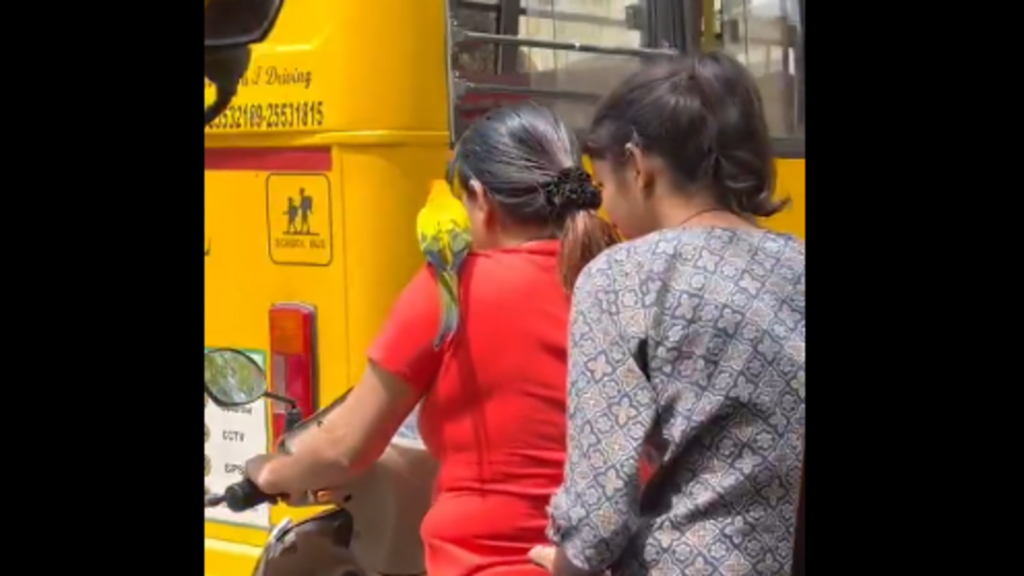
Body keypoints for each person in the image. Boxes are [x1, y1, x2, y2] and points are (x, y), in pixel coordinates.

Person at [246, 103, 619, 576]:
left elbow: (345, 446)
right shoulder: (619, 275)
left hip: (488, 563)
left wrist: (268, 472)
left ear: (480, 200)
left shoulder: (453, 287)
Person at [532, 53, 806, 575]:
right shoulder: (797, 265)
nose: (606, 208)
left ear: (638, 165)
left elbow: (599, 506)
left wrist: (566, 562)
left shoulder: (622, 279)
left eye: (605, 185)